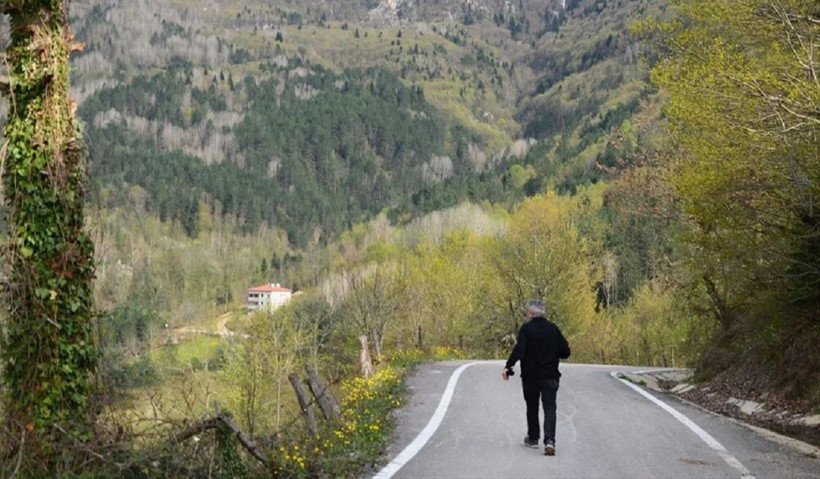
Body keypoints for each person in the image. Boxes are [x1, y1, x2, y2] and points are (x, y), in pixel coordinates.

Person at [503, 299, 570, 456]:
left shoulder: (526, 329)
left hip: (530, 376)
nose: (527, 315)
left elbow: (519, 350)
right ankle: (550, 441)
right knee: (550, 407)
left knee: (532, 406)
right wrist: (552, 351)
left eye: (527, 312)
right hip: (550, 376)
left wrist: (508, 366)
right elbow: (566, 351)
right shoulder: (553, 329)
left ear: (531, 313)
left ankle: (533, 438)